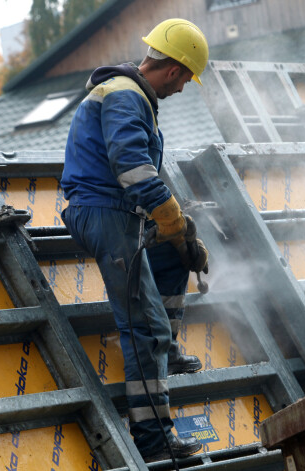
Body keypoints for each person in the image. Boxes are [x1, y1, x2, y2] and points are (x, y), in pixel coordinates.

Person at [60, 19, 210, 462]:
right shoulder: (126, 96)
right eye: (185, 81)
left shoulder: (130, 94)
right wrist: (173, 217)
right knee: (145, 326)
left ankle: (166, 350)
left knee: (174, 255)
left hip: (118, 211)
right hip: (103, 213)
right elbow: (133, 168)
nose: (182, 90)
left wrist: (178, 230)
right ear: (175, 71)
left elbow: (140, 175)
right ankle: (154, 440)